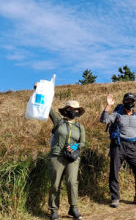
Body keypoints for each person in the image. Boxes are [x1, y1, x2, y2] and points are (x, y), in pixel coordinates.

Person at [100, 93, 136, 208]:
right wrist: (108, 106)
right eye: (127, 101)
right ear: (123, 102)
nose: (129, 103)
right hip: (118, 145)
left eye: (131, 101)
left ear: (135, 103)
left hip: (133, 147)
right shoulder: (117, 114)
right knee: (114, 171)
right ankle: (115, 198)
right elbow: (104, 120)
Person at [43, 92, 85, 220]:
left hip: (72, 158)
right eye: (70, 109)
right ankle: (54, 210)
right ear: (65, 111)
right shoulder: (58, 121)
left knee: (72, 183)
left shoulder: (80, 127)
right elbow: (48, 108)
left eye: (75, 109)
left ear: (78, 111)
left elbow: (82, 143)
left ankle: (73, 208)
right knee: (55, 184)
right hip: (57, 156)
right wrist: (40, 91)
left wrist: (74, 146)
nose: (73, 111)